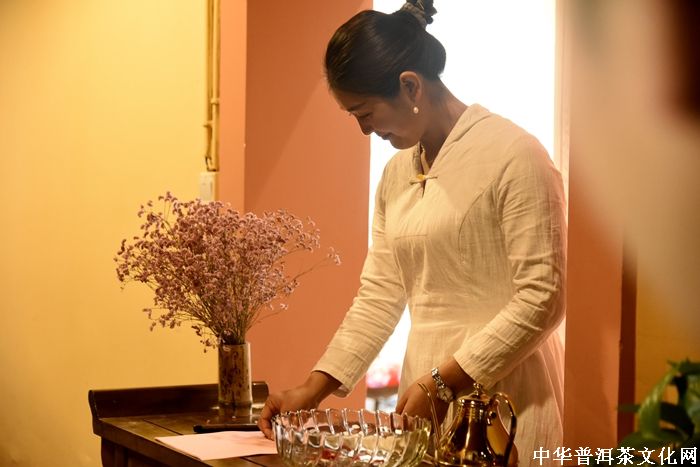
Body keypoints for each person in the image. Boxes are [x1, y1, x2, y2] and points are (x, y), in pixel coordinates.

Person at [259, 1, 567, 463]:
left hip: (503, 394)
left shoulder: (514, 155)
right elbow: (380, 294)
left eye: (365, 112)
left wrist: (445, 381)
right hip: (424, 392)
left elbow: (544, 297)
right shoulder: (397, 173)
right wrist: (313, 388)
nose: (364, 130)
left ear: (410, 85)